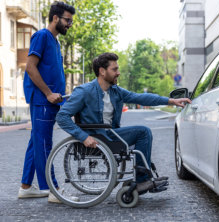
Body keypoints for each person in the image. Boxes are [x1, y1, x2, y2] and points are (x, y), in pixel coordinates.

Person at [56, 52, 191, 194]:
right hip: (96, 137)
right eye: (114, 69)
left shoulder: (115, 91)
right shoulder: (84, 91)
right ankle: (141, 180)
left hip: (110, 134)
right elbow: (62, 117)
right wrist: (83, 137)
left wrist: (171, 101)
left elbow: (141, 98)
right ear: (102, 71)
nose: (118, 73)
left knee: (143, 133)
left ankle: (142, 176)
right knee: (143, 132)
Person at [18, 1, 75, 201]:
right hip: (42, 101)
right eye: (67, 20)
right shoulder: (42, 36)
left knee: (36, 142)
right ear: (55, 18)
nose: (69, 24)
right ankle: (53, 190)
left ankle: (26, 186)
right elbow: (31, 67)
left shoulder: (55, 41)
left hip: (50, 101)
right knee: (44, 145)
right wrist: (49, 93)